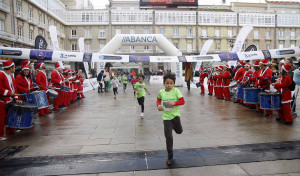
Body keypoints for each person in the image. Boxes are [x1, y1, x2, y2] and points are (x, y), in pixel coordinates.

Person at [156, 73, 185, 165]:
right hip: (166, 117)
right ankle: (170, 156)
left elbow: (182, 101)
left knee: (179, 131)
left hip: (175, 116)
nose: (169, 85)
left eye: (171, 83)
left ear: (174, 84)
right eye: (167, 83)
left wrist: (174, 103)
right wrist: (159, 105)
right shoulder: (161, 92)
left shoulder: (176, 91)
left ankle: (175, 127)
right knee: (168, 137)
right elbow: (158, 99)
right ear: (164, 83)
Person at [0, 60, 22, 141]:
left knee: (10, 116)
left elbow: (14, 88)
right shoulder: (1, 75)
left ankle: (10, 130)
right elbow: (0, 88)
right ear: (10, 68)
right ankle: (0, 135)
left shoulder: (11, 76)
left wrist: (16, 98)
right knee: (2, 118)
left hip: (10, 99)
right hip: (2, 100)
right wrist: (10, 93)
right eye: (14, 67)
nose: (15, 68)